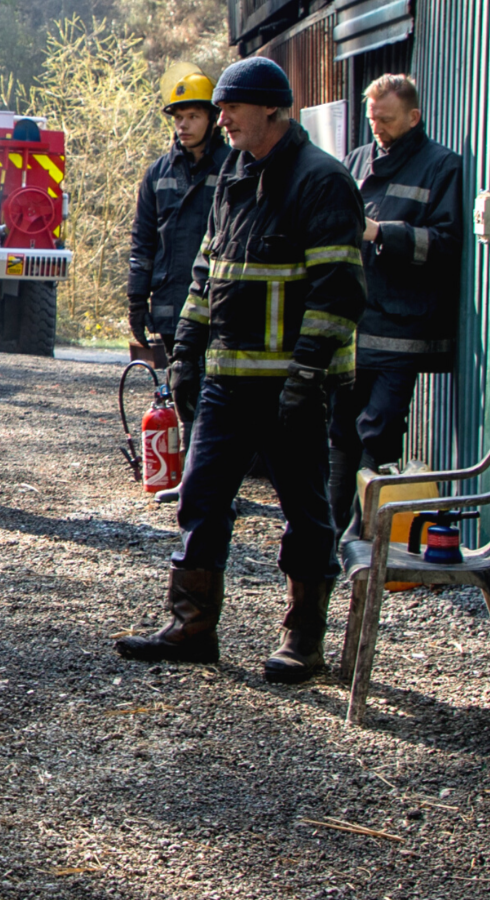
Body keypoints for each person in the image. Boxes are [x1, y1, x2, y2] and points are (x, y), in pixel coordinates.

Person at [117, 57, 365, 683]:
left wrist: (307, 376)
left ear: (272, 112)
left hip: (291, 387)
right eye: (219, 108)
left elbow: (339, 292)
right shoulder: (235, 172)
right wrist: (187, 354)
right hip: (228, 385)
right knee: (200, 498)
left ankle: (303, 639)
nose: (219, 118)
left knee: (305, 511)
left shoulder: (321, 181)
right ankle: (191, 627)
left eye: (231, 108)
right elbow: (208, 271)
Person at [330, 74, 461, 538]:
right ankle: (333, 530)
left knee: (378, 430)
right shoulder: (356, 161)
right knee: (342, 429)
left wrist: (383, 233)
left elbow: (446, 244)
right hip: (355, 325)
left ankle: (365, 532)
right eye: (371, 120)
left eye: (385, 120)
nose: (377, 129)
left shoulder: (442, 167)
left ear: (413, 117)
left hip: (403, 329)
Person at [128, 70, 230, 357]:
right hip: (170, 303)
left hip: (217, 305)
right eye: (178, 118)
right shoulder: (157, 174)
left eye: (193, 116)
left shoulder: (232, 168)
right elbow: (143, 242)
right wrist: (136, 301)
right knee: (179, 389)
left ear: (212, 118)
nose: (183, 125)